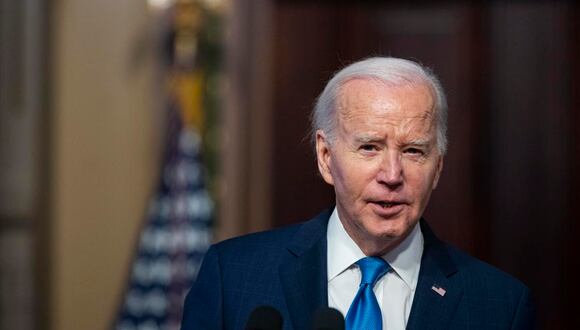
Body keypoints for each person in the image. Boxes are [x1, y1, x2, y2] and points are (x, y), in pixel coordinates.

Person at [181, 57, 535, 330]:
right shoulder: (234, 276)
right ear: (325, 157)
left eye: (414, 151)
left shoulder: (499, 306)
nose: (393, 175)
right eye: (369, 147)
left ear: (438, 167)